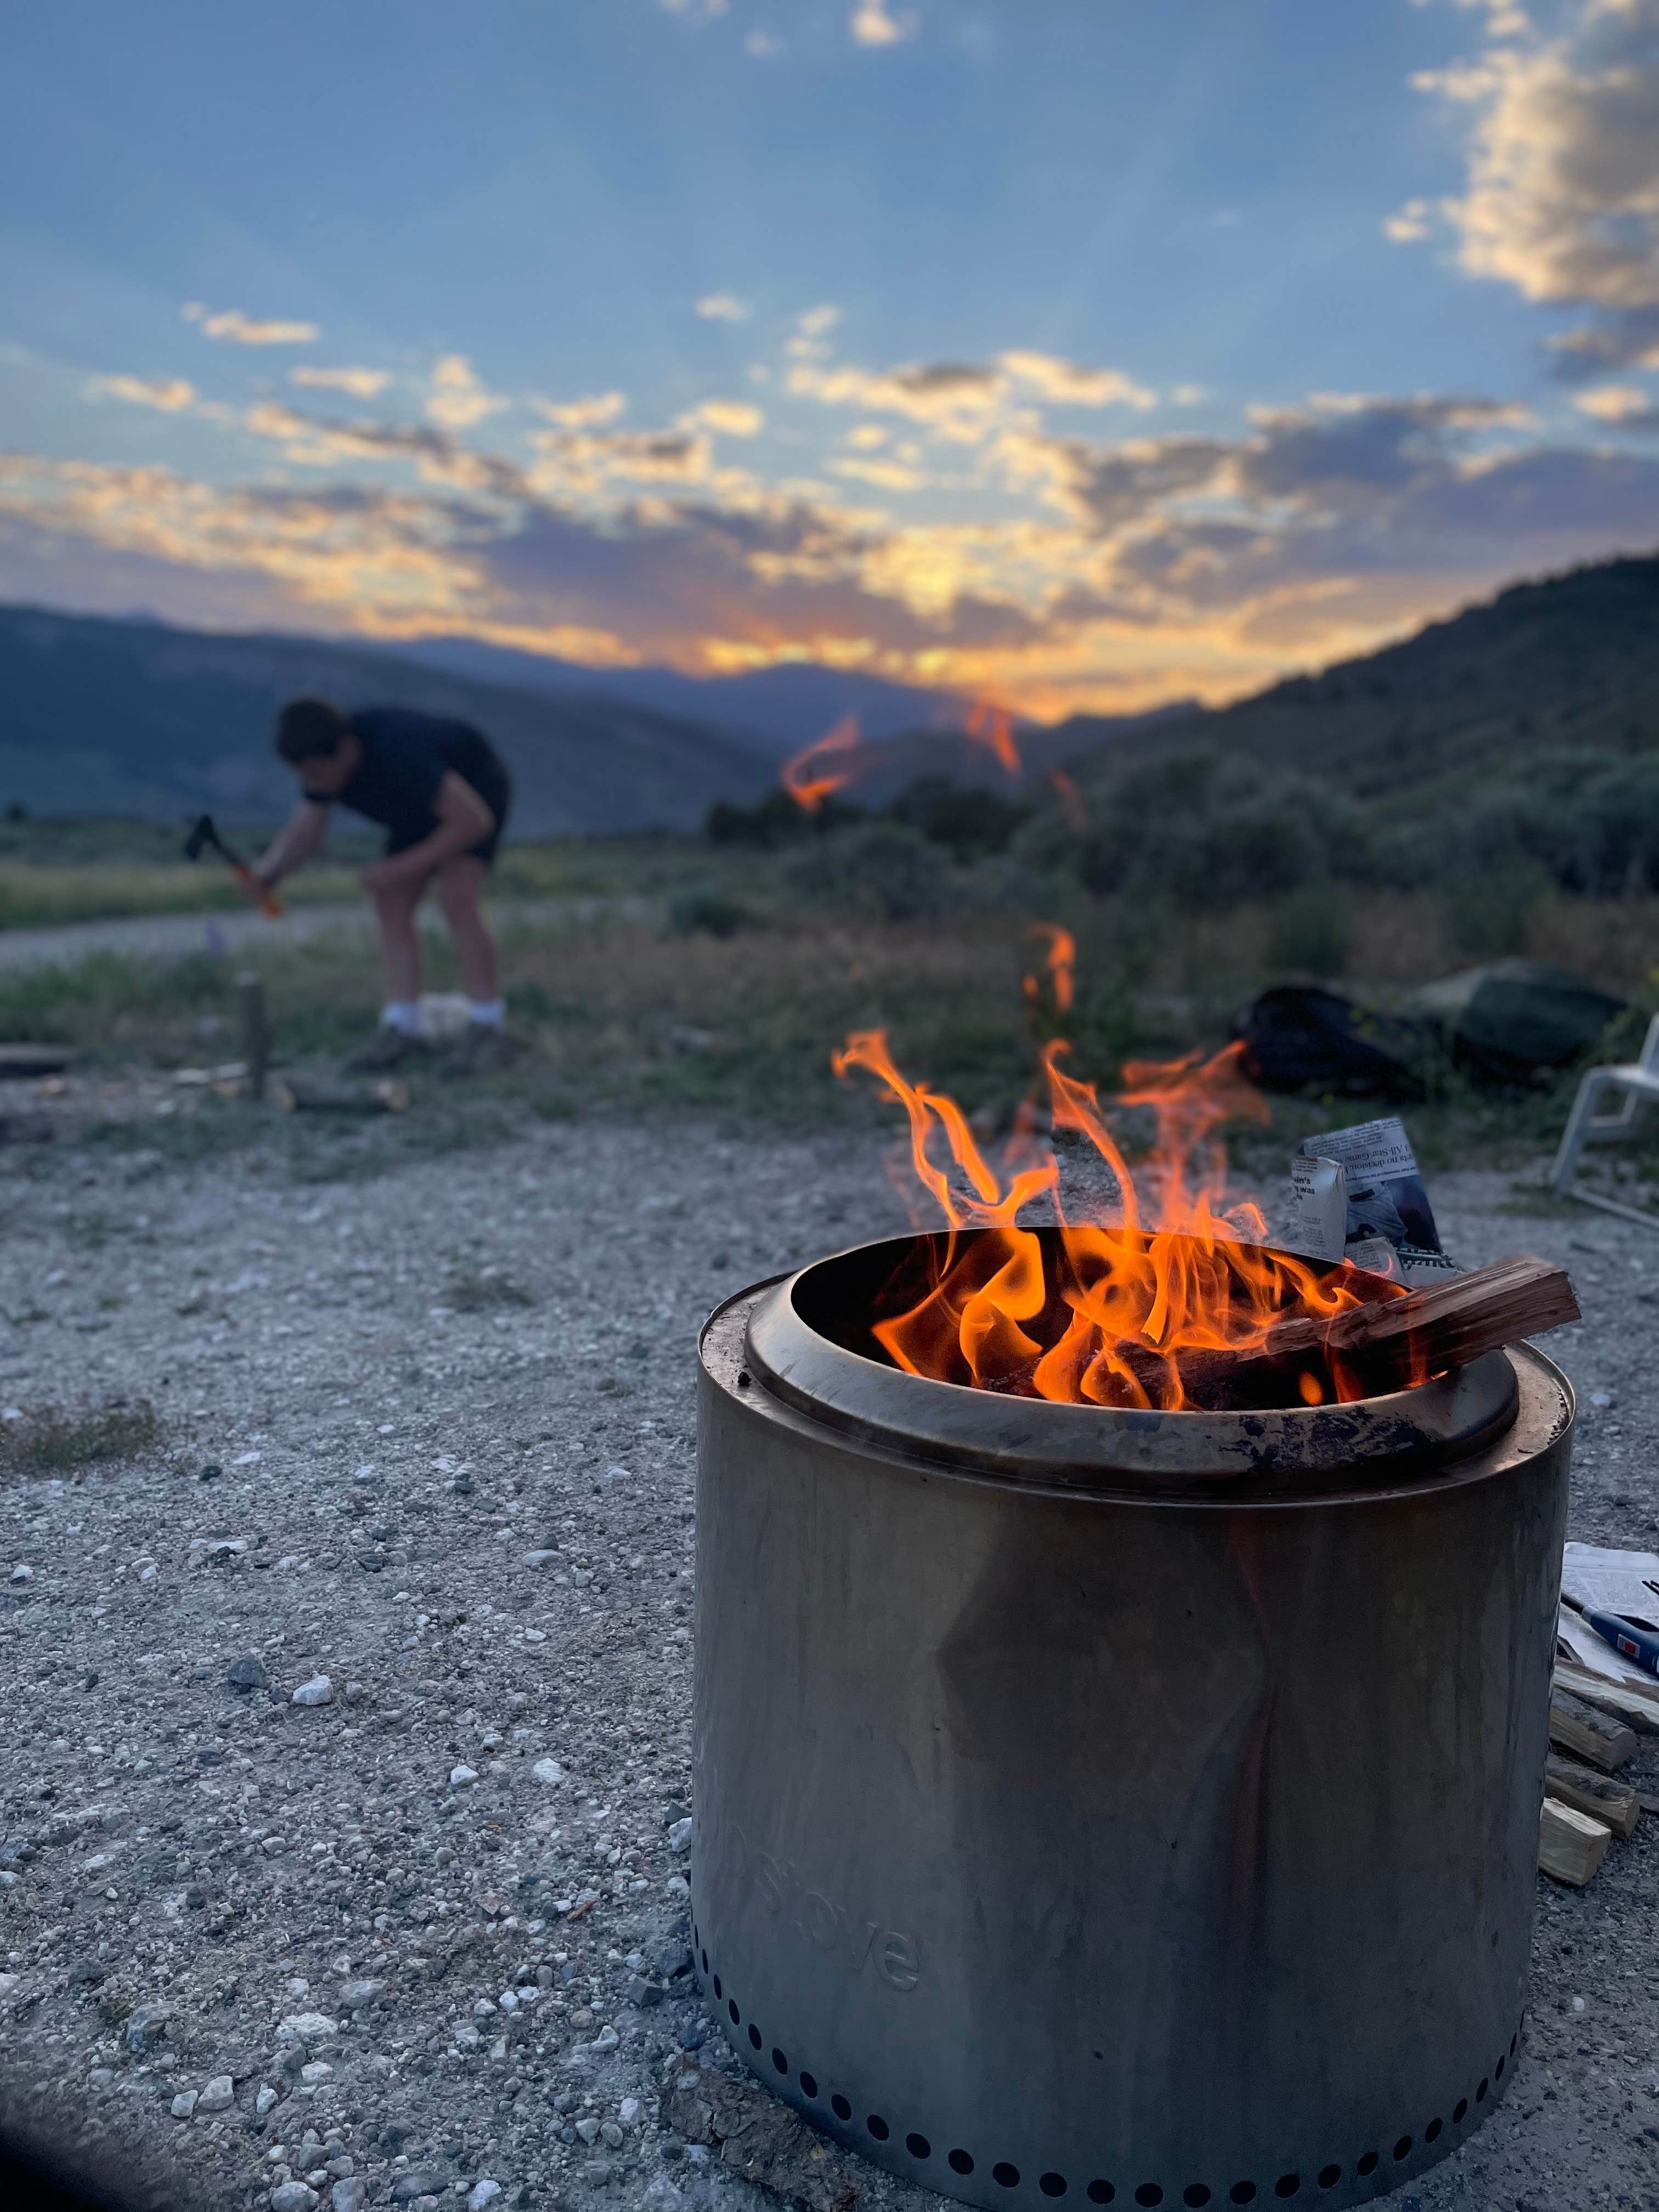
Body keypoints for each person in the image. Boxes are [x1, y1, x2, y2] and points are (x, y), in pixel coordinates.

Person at [252, 698, 515, 1075]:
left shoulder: (399, 750)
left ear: (344, 750)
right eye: (303, 775)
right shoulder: (325, 768)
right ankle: (403, 1026)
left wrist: (400, 868)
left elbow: (473, 822)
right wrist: (270, 875)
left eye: (315, 773)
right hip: (414, 812)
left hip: (475, 797)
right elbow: (306, 831)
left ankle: (489, 1025)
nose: (311, 784)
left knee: (457, 897)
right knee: (391, 902)